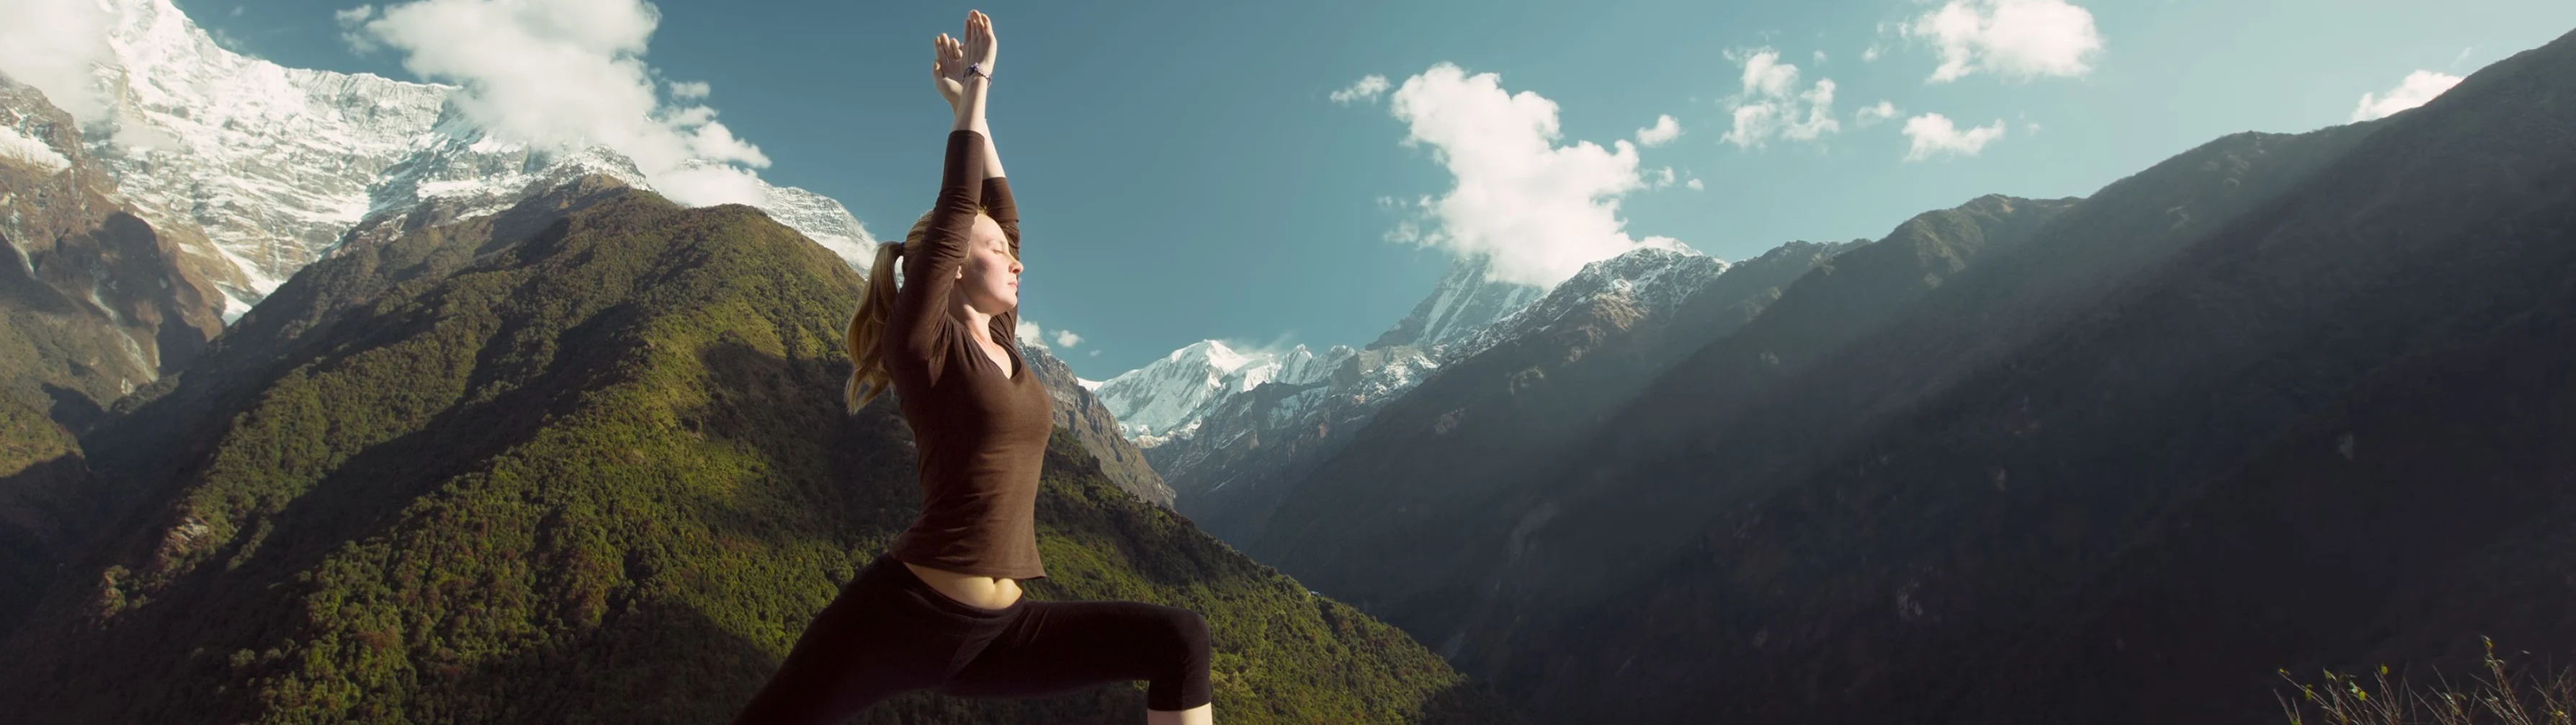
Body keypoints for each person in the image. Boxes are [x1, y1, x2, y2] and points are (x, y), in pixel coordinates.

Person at [728, 10, 1215, 725]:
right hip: (905, 616)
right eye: (993, 250)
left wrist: (966, 111)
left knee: (1179, 639)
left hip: (1001, 632)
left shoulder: (1002, 338)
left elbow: (999, 210)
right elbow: (963, 203)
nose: (1016, 260)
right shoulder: (921, 344)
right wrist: (979, 83)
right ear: (949, 267)